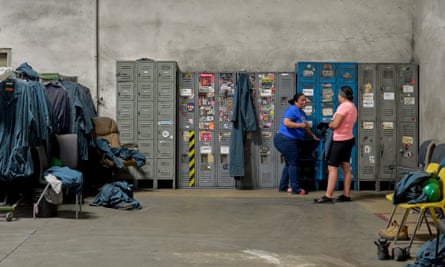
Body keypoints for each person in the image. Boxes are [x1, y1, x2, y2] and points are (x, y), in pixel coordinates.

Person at [314, 86, 357, 203]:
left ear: (341, 95)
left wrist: (328, 125)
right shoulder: (353, 106)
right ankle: (346, 195)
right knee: (346, 167)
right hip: (348, 139)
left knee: (332, 168)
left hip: (339, 141)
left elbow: (335, 125)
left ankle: (328, 195)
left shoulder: (343, 107)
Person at [273, 93, 319, 195]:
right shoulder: (292, 109)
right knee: (294, 163)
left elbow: (305, 127)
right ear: (296, 101)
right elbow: (286, 122)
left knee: (289, 163)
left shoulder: (301, 113)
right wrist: (299, 125)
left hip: (290, 140)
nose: (304, 102)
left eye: (305, 100)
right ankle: (296, 188)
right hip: (285, 139)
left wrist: (312, 136)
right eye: (302, 100)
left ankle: (283, 187)